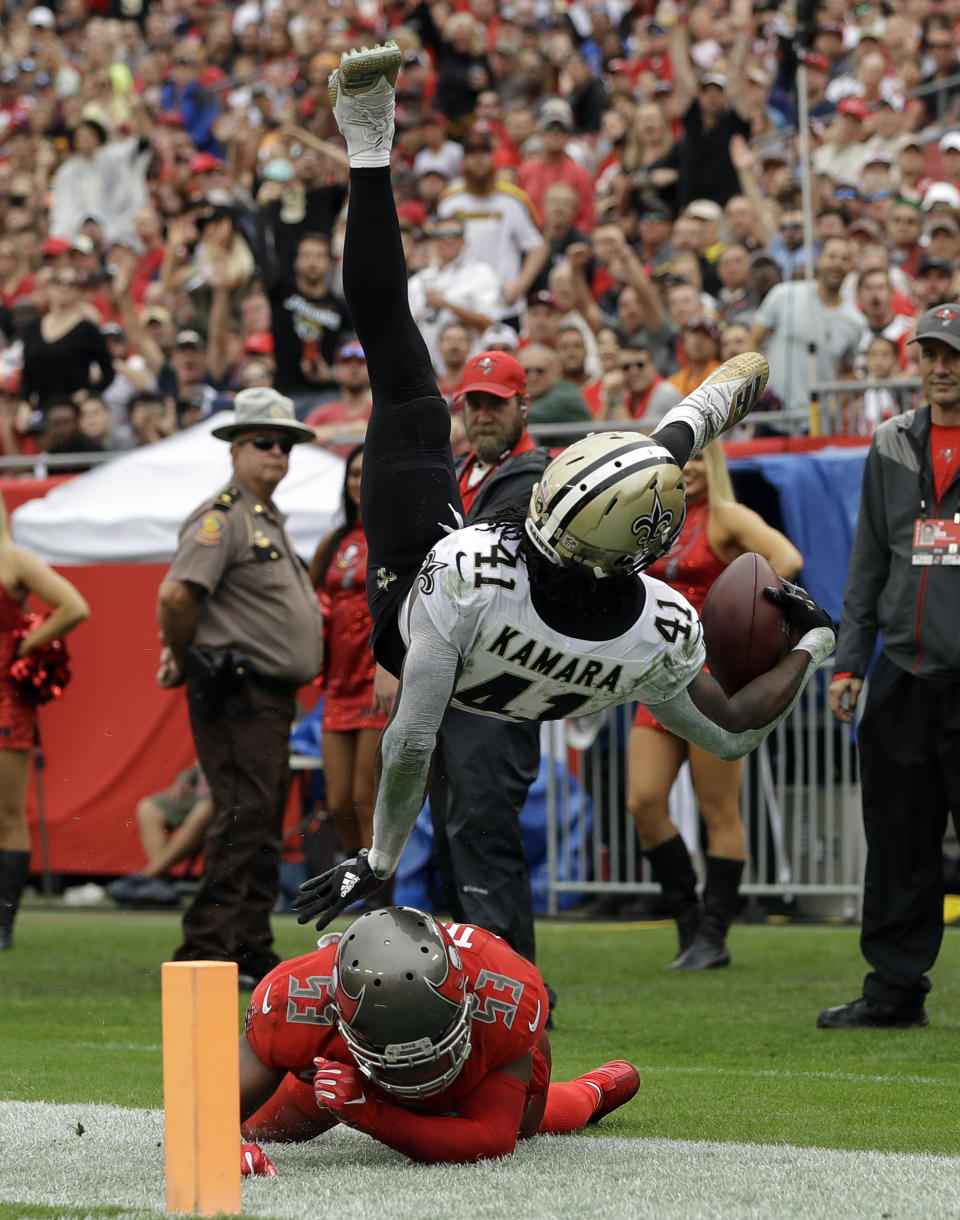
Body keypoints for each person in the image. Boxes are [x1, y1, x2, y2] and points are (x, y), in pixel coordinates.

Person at [291, 43, 836, 932]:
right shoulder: (658, 626)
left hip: (429, 627)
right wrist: (816, 642)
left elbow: (412, 742)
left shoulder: (472, 567)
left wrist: (379, 859)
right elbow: (735, 728)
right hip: (531, 661)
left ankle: (367, 143)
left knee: (401, 372)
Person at [239, 906, 640, 1168]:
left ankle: (592, 1092)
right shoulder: (294, 997)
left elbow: (490, 1139)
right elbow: (211, 1113)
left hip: (470, 1065)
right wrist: (221, 1149)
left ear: (468, 993)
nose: (415, 1073)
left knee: (523, 1127)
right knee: (257, 1130)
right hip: (355, 1067)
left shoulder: (503, 992)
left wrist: (371, 1114)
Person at [818, 304, 960, 1030]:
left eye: (953, 354)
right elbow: (868, 562)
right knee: (900, 840)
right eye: (930, 353)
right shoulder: (891, 443)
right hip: (901, 673)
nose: (941, 366)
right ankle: (894, 992)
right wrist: (849, 662)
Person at [156, 387, 324, 988]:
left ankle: (247, 947)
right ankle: (206, 946)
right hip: (237, 690)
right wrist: (182, 656)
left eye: (285, 443)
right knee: (243, 811)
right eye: (264, 441)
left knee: (259, 812)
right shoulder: (222, 517)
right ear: (235, 448)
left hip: (269, 695)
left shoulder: (261, 516)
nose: (277, 452)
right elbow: (177, 595)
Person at [626, 443, 803, 971]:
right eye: (681, 463)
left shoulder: (726, 517)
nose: (691, 470)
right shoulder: (653, 523)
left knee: (719, 812)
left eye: (700, 460)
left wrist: (760, 627)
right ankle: (688, 923)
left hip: (713, 682)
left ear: (715, 465)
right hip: (658, 679)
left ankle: (714, 935)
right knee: (643, 801)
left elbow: (787, 558)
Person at [428, 356, 551, 966]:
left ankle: (511, 984)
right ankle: (488, 978)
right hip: (454, 678)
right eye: (472, 402)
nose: (480, 414)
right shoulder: (465, 470)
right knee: (457, 840)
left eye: (495, 402)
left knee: (481, 832)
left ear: (523, 406)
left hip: (499, 681)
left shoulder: (536, 479)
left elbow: (470, 566)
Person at [0, 492, 89, 950]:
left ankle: (3, 928)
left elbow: (74, 606)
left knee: (8, 815)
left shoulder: (14, 559)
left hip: (5, 703)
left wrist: (24, 644)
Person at [308, 445, 394, 860]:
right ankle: (356, 885)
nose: (360, 482)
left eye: (368, 472)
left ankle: (380, 902)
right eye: (354, 473)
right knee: (337, 802)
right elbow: (311, 606)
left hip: (376, 681)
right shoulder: (333, 542)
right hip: (337, 687)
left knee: (365, 797)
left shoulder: (397, 538)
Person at [106, 763, 214, 907]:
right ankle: (161, 887)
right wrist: (185, 779)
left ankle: (146, 876)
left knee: (205, 809)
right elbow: (200, 763)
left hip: (226, 798)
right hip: (199, 797)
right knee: (149, 807)